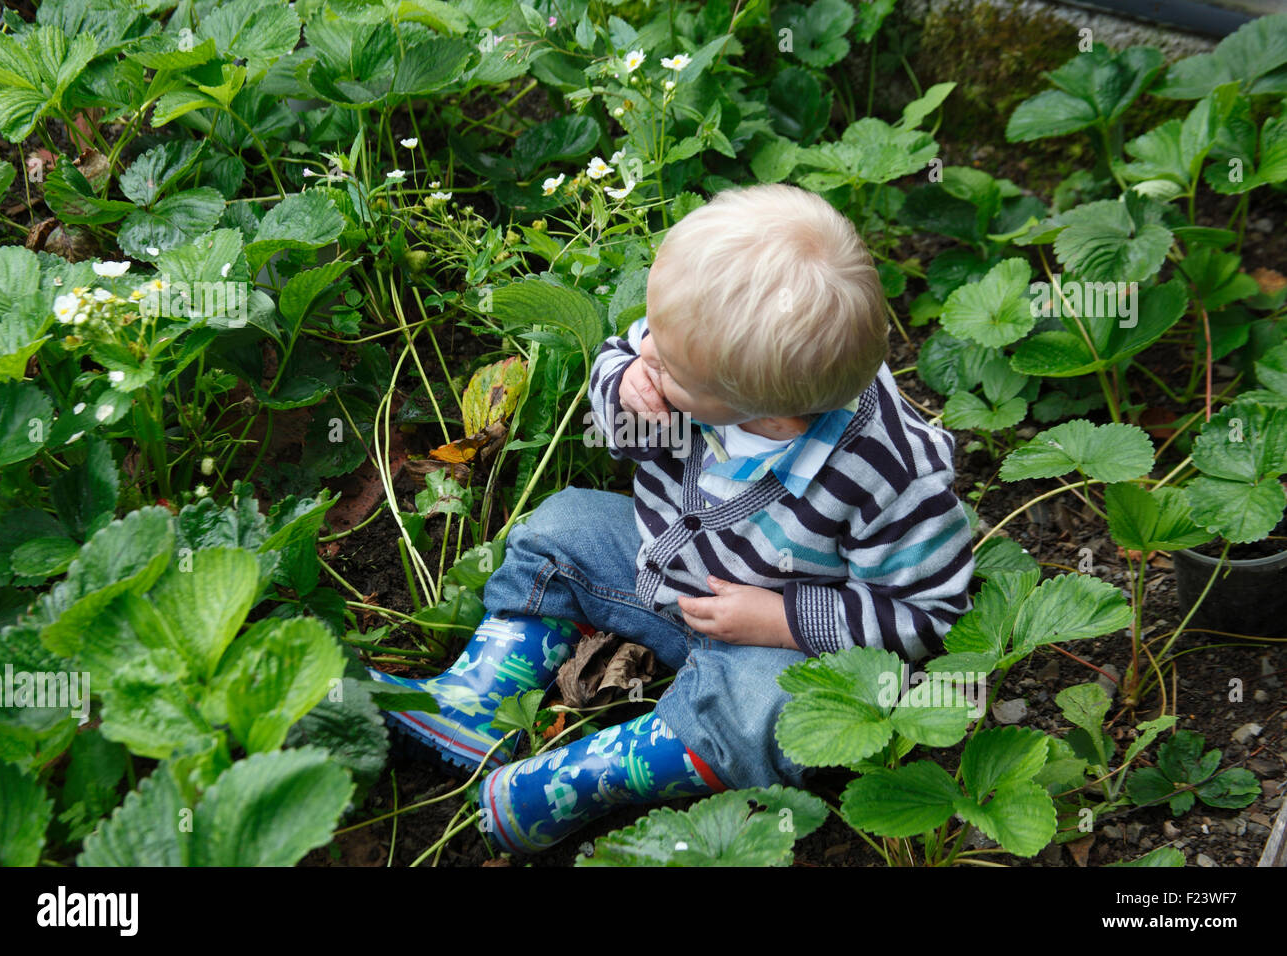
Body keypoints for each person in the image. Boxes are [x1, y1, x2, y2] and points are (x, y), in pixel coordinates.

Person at [369, 183, 975, 856]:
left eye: (669, 368)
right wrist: (623, 388)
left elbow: (927, 612)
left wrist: (781, 622)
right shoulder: (691, 341)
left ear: (772, 418)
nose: (646, 353)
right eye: (649, 335)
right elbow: (628, 392)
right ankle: (478, 704)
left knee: (766, 707)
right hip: (660, 565)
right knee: (561, 526)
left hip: (771, 643)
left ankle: (585, 780)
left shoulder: (889, 472)